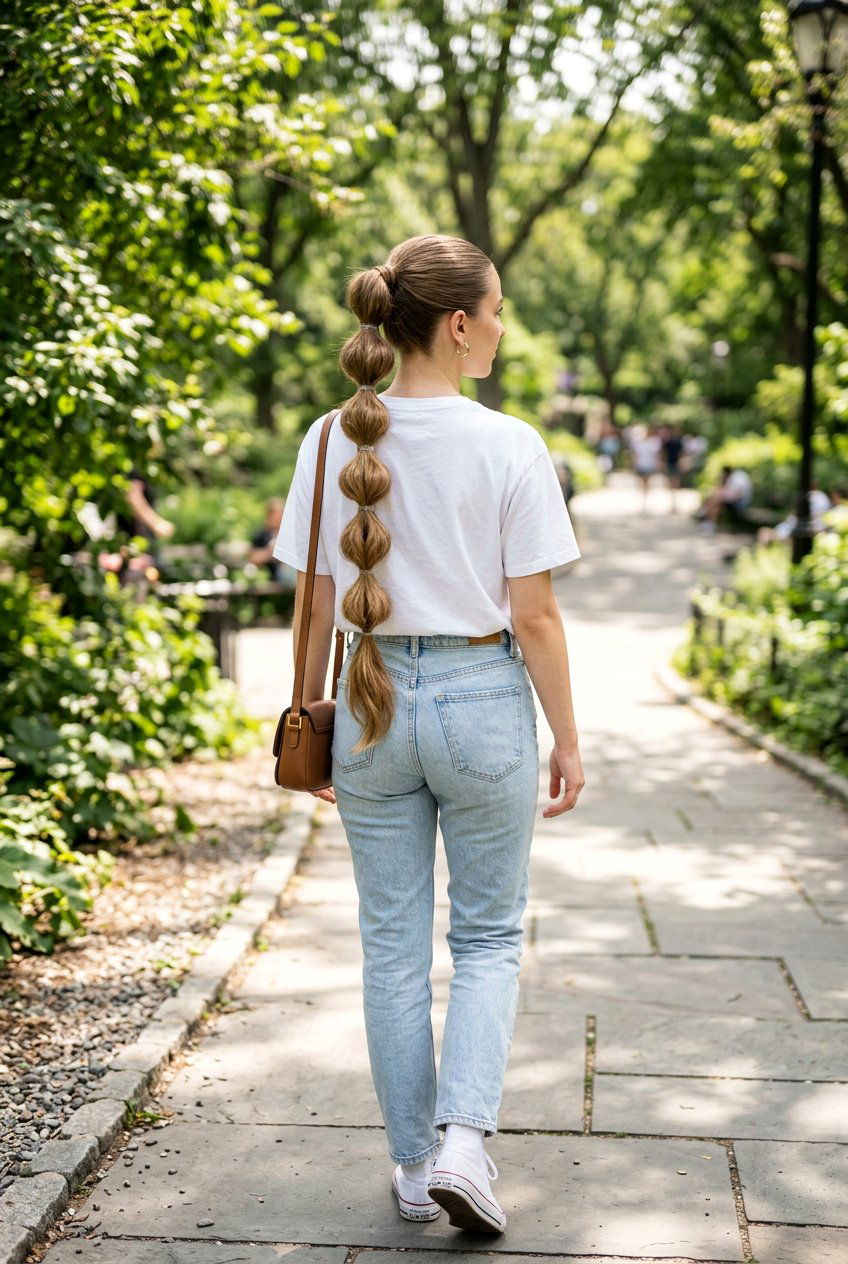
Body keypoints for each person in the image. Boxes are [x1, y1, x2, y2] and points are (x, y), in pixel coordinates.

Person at [272, 235, 585, 1234]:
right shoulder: (509, 444)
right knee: (488, 935)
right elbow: (532, 617)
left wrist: (303, 717)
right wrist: (567, 738)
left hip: (363, 705)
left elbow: (315, 608)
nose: (499, 327)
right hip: (481, 699)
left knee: (390, 946)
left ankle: (412, 1169)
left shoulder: (331, 440)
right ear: (457, 324)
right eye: (493, 312)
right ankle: (464, 1142)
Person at [697, 464, 753, 534]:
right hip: (735, 501)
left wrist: (723, 495)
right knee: (715, 499)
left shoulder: (737, 478)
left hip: (741, 504)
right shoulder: (735, 476)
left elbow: (738, 495)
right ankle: (708, 520)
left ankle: (707, 517)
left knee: (716, 501)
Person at [249, 497, 286, 579]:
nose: (278, 517)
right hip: (269, 578)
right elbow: (253, 558)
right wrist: (272, 550)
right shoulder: (261, 535)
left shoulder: (287, 534)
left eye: (280, 513)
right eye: (275, 514)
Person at [628, 423, 662, 504]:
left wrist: (658, 463)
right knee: (642, 481)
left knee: (647, 481)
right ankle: (643, 496)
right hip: (641, 464)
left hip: (650, 464)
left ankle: (646, 497)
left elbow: (657, 454)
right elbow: (635, 455)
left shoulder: (653, 442)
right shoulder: (638, 443)